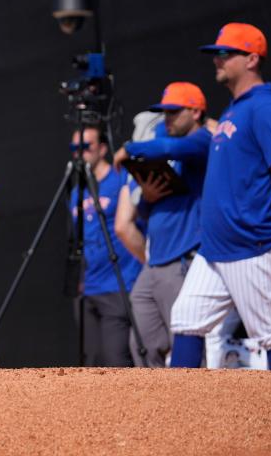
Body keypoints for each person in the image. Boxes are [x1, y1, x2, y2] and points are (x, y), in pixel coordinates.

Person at [170, 23, 271, 371]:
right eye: (216, 54)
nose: (217, 60)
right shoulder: (234, 109)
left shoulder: (266, 107)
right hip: (215, 248)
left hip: (254, 241)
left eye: (226, 53)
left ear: (252, 58)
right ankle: (177, 415)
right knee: (186, 319)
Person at [112, 82, 211, 367]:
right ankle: (156, 410)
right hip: (154, 262)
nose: (166, 119)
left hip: (183, 258)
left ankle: (196, 407)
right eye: (164, 112)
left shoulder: (201, 140)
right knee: (142, 345)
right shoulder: (167, 149)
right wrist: (147, 197)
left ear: (195, 112)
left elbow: (167, 145)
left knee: (185, 342)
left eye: (174, 112)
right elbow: (145, 211)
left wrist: (129, 147)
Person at [70, 126, 142, 367]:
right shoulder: (76, 190)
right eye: (74, 149)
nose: (79, 153)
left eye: (85, 147)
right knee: (90, 360)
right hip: (88, 287)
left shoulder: (119, 179)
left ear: (102, 148)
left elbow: (136, 224)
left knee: (116, 358)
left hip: (118, 283)